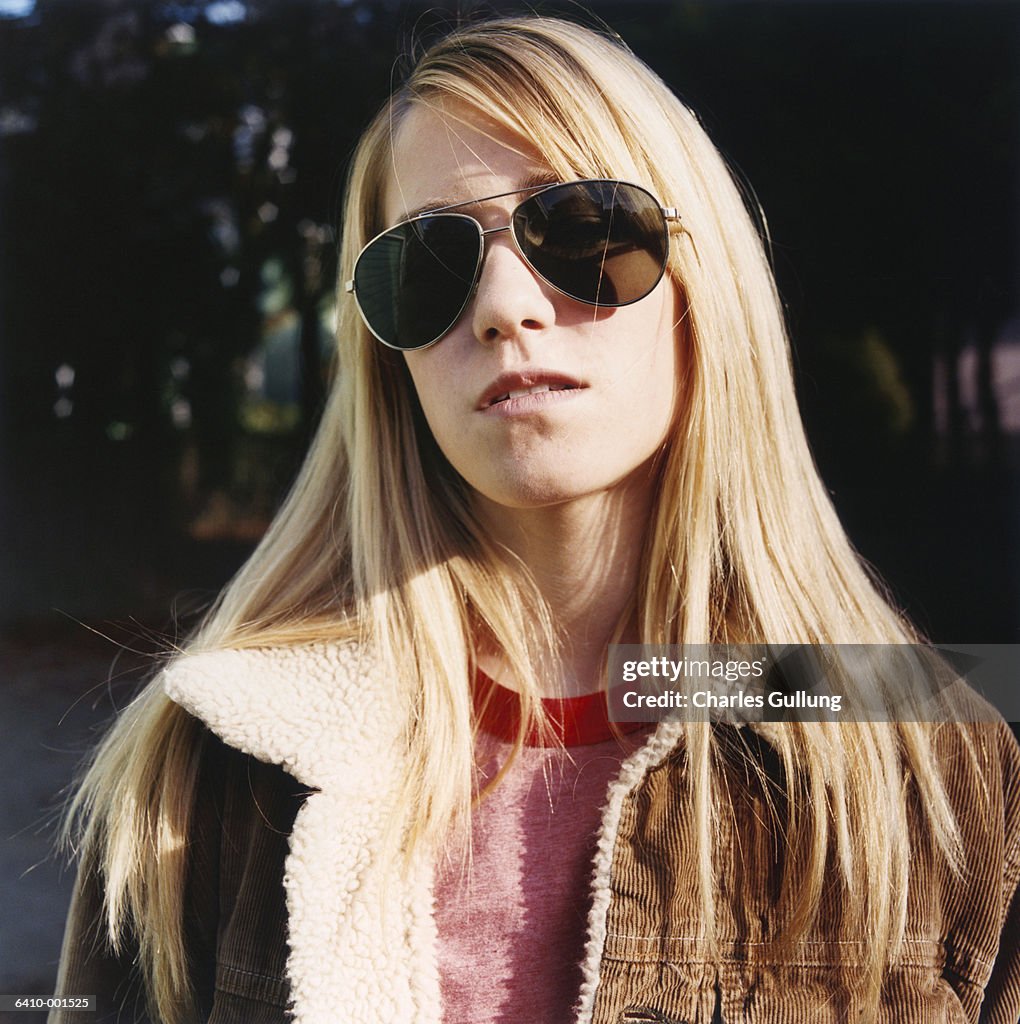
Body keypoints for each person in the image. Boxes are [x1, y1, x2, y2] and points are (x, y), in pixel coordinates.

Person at [52, 15, 1020, 1024]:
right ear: (388, 352)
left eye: (588, 229)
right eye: (428, 262)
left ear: (704, 283)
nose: (505, 305)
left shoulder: (950, 768)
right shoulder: (212, 765)